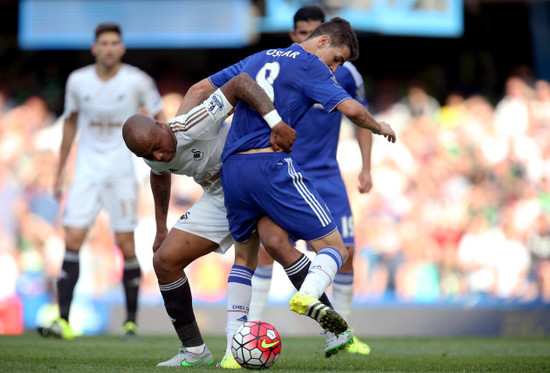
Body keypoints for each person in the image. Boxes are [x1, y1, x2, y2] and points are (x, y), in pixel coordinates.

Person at [178, 16, 396, 367]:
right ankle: (309, 295)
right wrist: (380, 125)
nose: (336, 67)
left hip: (233, 170)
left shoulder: (259, 57)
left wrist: (180, 132)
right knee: (336, 247)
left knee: (251, 255)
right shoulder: (312, 67)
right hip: (270, 167)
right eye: (337, 58)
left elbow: (200, 89)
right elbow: (352, 110)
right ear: (322, 41)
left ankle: (235, 349)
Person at [122, 72, 296, 367]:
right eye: (148, 153)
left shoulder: (195, 121)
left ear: (162, 125)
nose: (159, 154)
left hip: (251, 182)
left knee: (278, 249)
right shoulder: (149, 152)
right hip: (218, 197)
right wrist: (161, 227)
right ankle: (194, 350)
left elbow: (240, 83)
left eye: (158, 145)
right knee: (164, 262)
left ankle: (337, 331)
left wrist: (275, 123)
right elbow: (158, 174)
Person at [248, 6, 373, 355]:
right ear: (294, 36)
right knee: (267, 248)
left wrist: (366, 166)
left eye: (313, 34)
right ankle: (250, 329)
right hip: (285, 170)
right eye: (302, 33)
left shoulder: (346, 74)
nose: (307, 39)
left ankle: (342, 330)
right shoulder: (280, 69)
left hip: (327, 174)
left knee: (345, 252)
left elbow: (359, 117)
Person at [37, 23, 165, 340]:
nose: (109, 48)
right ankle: (63, 320)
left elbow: (161, 116)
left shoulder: (137, 80)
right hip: (87, 173)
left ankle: (131, 322)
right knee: (72, 240)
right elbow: (69, 123)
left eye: (114, 43)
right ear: (95, 48)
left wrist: (162, 156)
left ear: (122, 48)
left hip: (121, 174)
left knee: (125, 245)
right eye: (103, 43)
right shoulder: (78, 81)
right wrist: (59, 170)